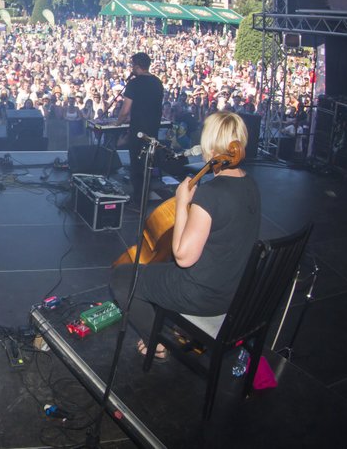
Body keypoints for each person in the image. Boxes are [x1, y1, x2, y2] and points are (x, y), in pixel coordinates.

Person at [110, 111, 261, 361]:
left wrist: (182, 203)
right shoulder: (250, 184)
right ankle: (176, 327)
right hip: (236, 291)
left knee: (122, 278)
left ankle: (156, 343)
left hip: (205, 296)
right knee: (160, 271)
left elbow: (183, 257)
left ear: (210, 147)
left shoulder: (210, 194)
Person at [115, 52, 164, 207]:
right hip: (153, 129)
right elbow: (150, 107)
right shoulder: (158, 82)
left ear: (136, 66)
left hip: (138, 132)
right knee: (147, 164)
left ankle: (138, 200)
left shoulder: (134, 84)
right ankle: (145, 195)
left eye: (132, 65)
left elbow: (125, 110)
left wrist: (117, 123)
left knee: (136, 166)